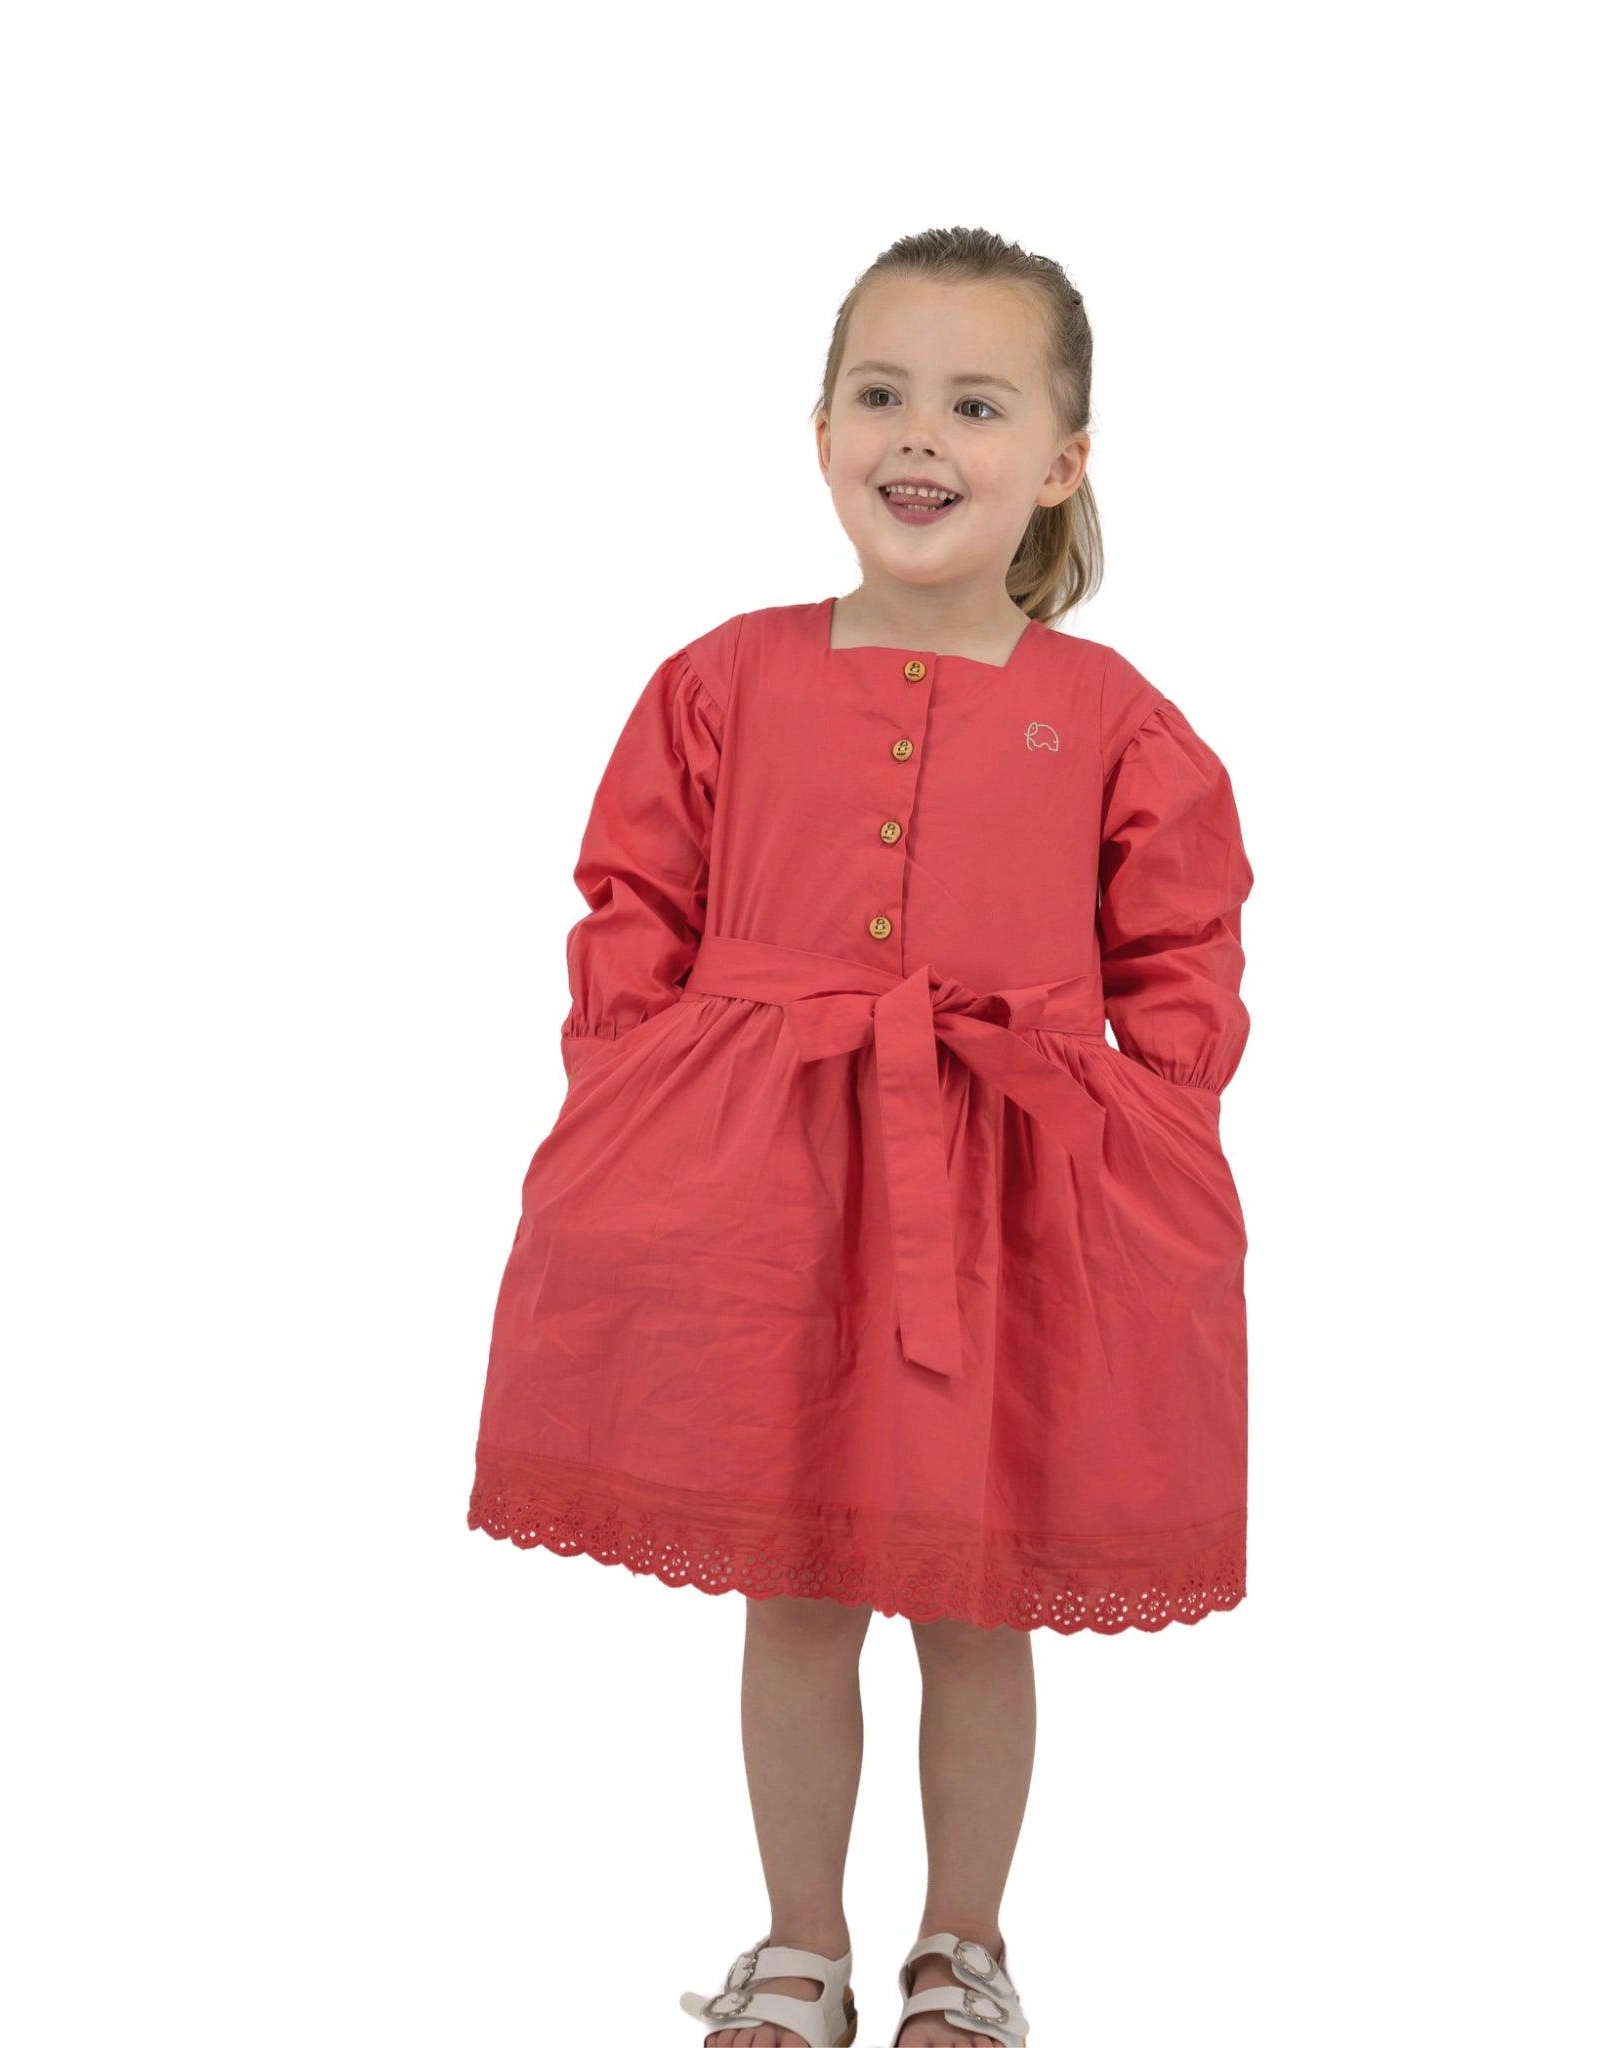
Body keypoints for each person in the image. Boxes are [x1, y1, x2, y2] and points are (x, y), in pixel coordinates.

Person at [465, 226, 1254, 2048]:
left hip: (1007, 1215)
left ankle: (960, 1951)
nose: (922, 436)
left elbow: (1186, 954)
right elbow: (630, 903)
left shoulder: (1113, 717)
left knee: (980, 1599)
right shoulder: (723, 678)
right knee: (800, 1583)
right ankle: (798, 1945)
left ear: (1060, 460)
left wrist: (1137, 1120)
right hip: (767, 1206)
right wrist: (638, 1098)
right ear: (819, 427)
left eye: (977, 403)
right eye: (882, 394)